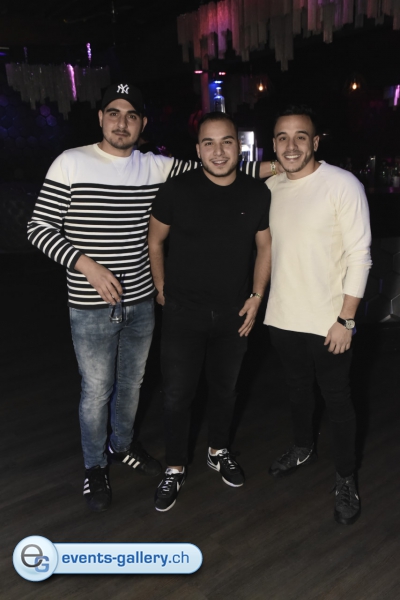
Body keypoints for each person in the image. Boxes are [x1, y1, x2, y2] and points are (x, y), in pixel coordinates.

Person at [27, 83, 278, 512]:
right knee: (97, 390)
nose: (121, 123)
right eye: (113, 113)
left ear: (142, 124)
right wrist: (88, 266)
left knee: (133, 384)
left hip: (143, 300)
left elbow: (222, 165)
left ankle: (123, 445)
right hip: (89, 302)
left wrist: (287, 163)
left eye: (131, 115)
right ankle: (94, 467)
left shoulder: (156, 166)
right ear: (101, 118)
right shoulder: (70, 162)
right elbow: (38, 229)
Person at [148, 112, 272, 512]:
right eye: (209, 143)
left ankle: (218, 450)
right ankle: (175, 466)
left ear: (239, 146)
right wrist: (161, 288)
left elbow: (265, 247)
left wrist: (257, 296)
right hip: (184, 312)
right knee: (176, 395)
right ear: (198, 149)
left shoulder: (256, 193)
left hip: (235, 313)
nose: (218, 152)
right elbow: (155, 240)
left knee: (225, 390)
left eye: (226, 142)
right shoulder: (176, 189)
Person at [265, 105, 372, 525]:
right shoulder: (271, 187)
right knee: (296, 391)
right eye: (283, 137)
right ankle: (302, 447)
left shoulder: (342, 184)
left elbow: (360, 256)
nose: (291, 145)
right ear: (274, 144)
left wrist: (346, 320)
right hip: (282, 318)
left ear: (315, 141)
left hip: (330, 323)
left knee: (338, 401)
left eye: (300, 136)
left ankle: (346, 477)